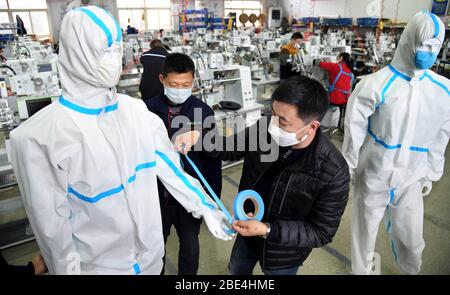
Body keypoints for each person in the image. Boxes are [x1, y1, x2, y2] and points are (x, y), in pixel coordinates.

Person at [9, 6, 231, 275]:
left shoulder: (136, 112)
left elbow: (172, 168)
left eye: (117, 49)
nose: (114, 59)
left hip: (151, 260)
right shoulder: (38, 139)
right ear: (76, 54)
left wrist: (204, 205)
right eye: (104, 51)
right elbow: (54, 236)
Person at [176, 75, 350, 275]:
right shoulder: (264, 128)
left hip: (283, 253)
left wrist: (267, 229)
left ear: (312, 126)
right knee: (236, 271)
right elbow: (228, 148)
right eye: (272, 113)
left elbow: (321, 232)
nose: (273, 124)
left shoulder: (333, 172)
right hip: (245, 231)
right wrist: (199, 137)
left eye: (282, 121)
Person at [343, 11, 450, 275]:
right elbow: (353, 129)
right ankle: (361, 272)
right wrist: (348, 166)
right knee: (364, 234)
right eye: (423, 44)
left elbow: (441, 135)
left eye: (435, 47)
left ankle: (411, 270)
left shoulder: (443, 90)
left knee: (412, 239)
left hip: (412, 179)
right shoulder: (374, 85)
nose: (429, 52)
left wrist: (431, 174)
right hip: (373, 175)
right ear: (409, 41)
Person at [145, 53, 222, 275]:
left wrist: (211, 199)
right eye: (174, 84)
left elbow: (212, 159)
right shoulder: (146, 111)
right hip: (156, 196)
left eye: (186, 84)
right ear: (162, 80)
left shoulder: (203, 112)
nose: (180, 89)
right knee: (154, 246)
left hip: (189, 197)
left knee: (190, 246)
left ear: (194, 80)